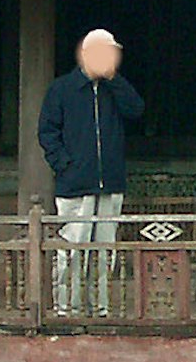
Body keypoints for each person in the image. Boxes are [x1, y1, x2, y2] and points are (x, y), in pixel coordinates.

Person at [36, 28, 145, 307]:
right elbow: (47, 132)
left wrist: (114, 80)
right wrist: (65, 165)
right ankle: (66, 307)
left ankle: (102, 308)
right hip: (75, 185)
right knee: (72, 250)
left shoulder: (114, 89)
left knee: (105, 251)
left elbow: (136, 110)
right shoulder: (62, 89)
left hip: (110, 184)